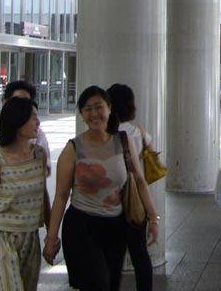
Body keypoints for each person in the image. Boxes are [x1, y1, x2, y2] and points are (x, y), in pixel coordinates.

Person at [44, 86, 159, 291]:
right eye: (88, 109)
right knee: (98, 283)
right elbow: (61, 196)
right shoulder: (73, 148)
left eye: (99, 107)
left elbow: (140, 181)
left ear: (109, 108)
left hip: (116, 226)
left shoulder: (123, 141)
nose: (94, 113)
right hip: (82, 226)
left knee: (111, 284)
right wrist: (51, 238)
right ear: (82, 114)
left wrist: (153, 218)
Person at [0, 97, 50, 290]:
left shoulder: (39, 155)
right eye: (33, 117)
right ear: (18, 121)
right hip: (1, 237)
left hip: (30, 237)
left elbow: (43, 195)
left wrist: (51, 234)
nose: (38, 122)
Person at [107, 83, 155, 291]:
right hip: (136, 197)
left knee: (113, 256)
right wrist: (153, 216)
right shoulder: (138, 132)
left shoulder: (107, 134)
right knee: (140, 255)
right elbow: (151, 153)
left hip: (112, 199)